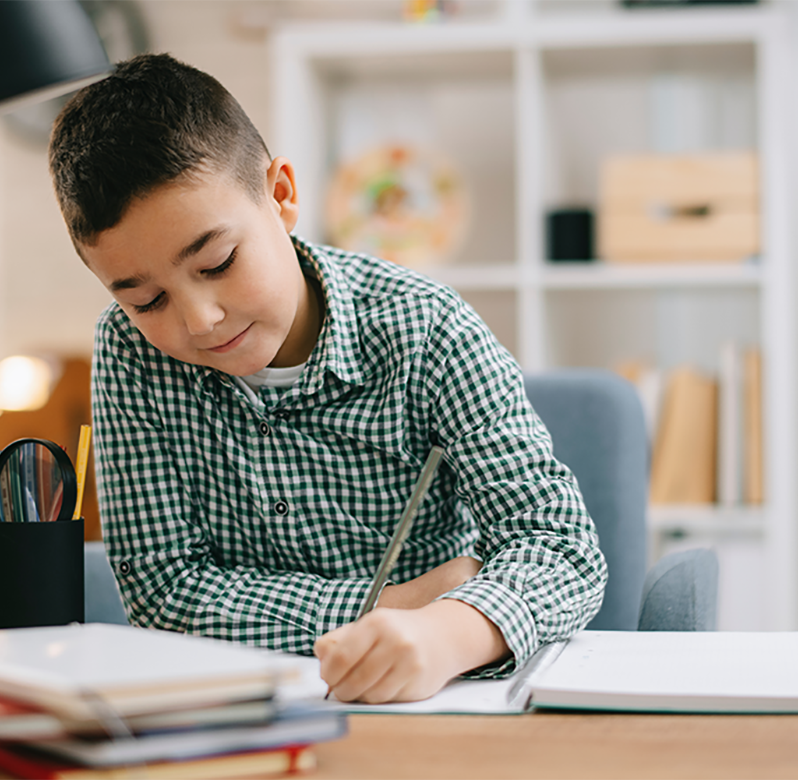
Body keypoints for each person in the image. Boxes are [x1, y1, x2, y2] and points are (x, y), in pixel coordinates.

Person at [48, 53, 607, 704]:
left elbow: (560, 546)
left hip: (435, 702)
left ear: (282, 195)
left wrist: (449, 632)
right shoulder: (129, 354)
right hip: (239, 713)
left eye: (218, 261)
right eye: (146, 301)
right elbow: (164, 593)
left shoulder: (427, 328)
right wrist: (397, 603)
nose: (199, 321)